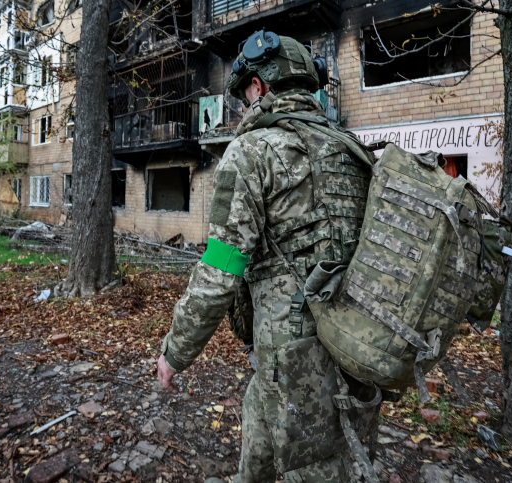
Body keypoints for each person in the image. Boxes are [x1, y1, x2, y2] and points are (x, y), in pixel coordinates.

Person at [156, 32, 381, 481]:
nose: (244, 105)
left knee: (313, 466)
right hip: (357, 337)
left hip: (294, 350)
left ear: (258, 87)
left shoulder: (252, 151)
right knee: (262, 418)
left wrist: (176, 351)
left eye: (244, 94)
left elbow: (221, 268)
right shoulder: (351, 149)